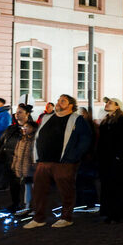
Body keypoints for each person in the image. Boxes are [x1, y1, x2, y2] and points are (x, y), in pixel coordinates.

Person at [24, 94, 94, 229]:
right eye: (58, 100)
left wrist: (73, 156)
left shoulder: (76, 119)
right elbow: (39, 136)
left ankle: (66, 217)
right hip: (44, 161)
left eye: (63, 101)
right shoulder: (47, 118)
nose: (58, 102)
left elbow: (85, 139)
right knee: (39, 190)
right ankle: (39, 218)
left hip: (64, 162)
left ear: (71, 105)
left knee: (66, 190)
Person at [96, 99, 123, 224]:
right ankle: (108, 212)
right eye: (107, 103)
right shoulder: (105, 121)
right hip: (105, 159)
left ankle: (118, 213)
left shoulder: (122, 122)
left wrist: (119, 156)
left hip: (117, 160)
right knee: (106, 187)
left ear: (117, 107)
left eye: (110, 103)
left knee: (118, 187)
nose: (107, 104)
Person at [9, 118, 38, 216]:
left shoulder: (34, 140)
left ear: (33, 129)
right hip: (24, 170)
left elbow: (35, 155)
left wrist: (35, 166)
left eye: (27, 127)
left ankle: (35, 208)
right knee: (27, 188)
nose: (24, 129)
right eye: (24, 127)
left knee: (34, 188)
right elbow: (16, 154)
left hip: (32, 169)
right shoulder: (21, 140)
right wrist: (14, 165)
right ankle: (27, 206)